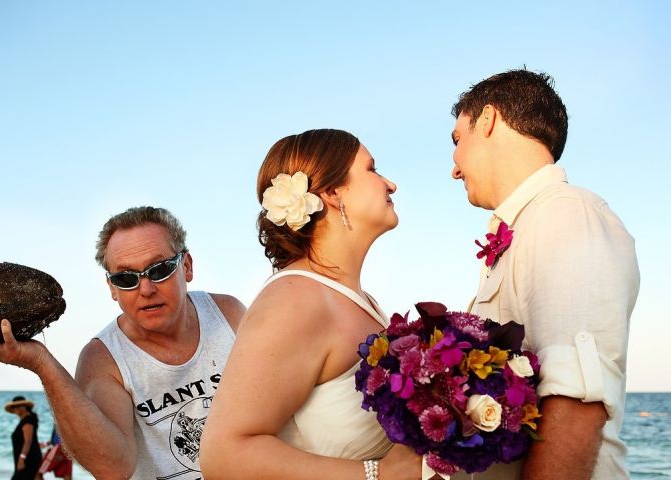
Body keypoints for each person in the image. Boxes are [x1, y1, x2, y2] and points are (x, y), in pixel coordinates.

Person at [0, 206, 246, 479]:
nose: (145, 289)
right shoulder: (104, 359)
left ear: (187, 266)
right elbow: (112, 466)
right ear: (112, 288)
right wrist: (41, 363)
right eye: (126, 278)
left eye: (159, 270)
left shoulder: (227, 314)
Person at [449, 69, 640, 479]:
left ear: (488, 120)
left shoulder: (565, 213)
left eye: (456, 140)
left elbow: (575, 402)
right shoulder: (528, 226)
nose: (454, 167)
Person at [201, 129, 423, 480]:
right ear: (333, 192)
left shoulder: (362, 301)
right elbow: (223, 454)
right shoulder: (295, 299)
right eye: (373, 169)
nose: (390, 184)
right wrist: (376, 475)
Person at [4, 395, 43, 480]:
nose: (16, 408)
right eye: (14, 407)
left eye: (19, 405)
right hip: (29, 457)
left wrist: (22, 458)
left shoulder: (28, 420)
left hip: (28, 459)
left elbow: (28, 441)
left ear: (25, 406)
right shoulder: (26, 419)